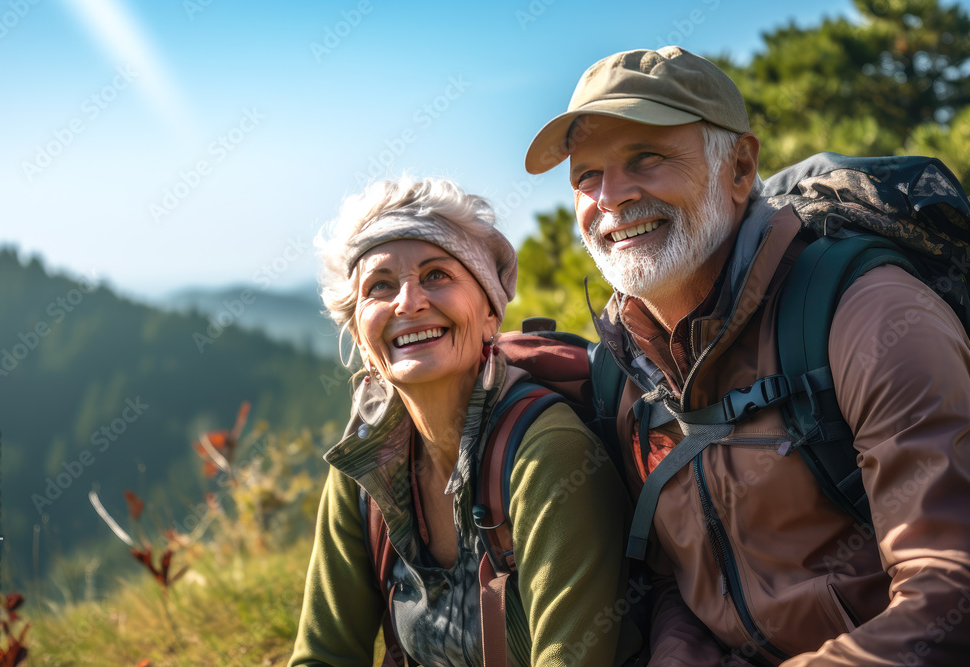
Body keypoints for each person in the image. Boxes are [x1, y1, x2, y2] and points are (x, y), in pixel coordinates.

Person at [524, 46, 970, 665]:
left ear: (739, 168)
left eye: (646, 159)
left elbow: (948, 598)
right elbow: (675, 583)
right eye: (586, 177)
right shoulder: (626, 374)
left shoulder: (869, 314)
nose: (611, 198)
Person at [288, 177, 641, 666]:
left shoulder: (548, 455)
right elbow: (324, 655)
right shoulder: (365, 469)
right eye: (380, 286)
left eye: (436, 275)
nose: (408, 302)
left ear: (491, 313)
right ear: (359, 334)